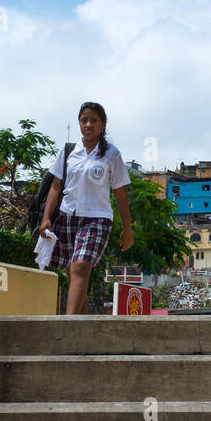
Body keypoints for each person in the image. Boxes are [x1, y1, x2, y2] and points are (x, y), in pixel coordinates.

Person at [39, 101, 133, 314]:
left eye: (93, 120)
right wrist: (46, 218)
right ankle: (83, 332)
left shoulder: (112, 154)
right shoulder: (68, 151)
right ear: (79, 123)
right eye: (84, 120)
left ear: (103, 124)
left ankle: (66, 327)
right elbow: (55, 186)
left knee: (80, 267)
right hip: (67, 216)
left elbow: (120, 193)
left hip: (97, 219)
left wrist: (127, 230)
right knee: (72, 275)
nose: (88, 124)